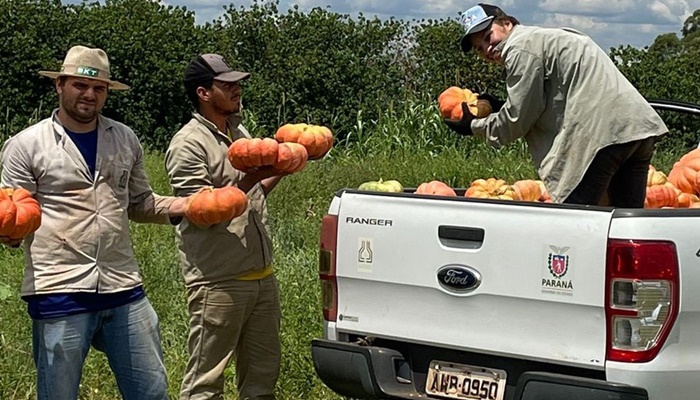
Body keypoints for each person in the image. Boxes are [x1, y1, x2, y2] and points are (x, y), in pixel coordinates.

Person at [0, 45, 192, 400]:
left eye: (99, 88)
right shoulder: (26, 145)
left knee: (152, 392)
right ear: (59, 85)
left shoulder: (124, 138)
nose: (89, 94)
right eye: (79, 85)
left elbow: (139, 202)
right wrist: (10, 235)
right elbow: (13, 210)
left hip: (123, 286)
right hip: (59, 289)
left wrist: (191, 206)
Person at [444, 3, 669, 207]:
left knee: (576, 217)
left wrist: (473, 126)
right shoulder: (541, 39)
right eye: (479, 48)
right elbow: (546, 103)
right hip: (637, 130)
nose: (487, 48)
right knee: (622, 221)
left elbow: (517, 121)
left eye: (487, 35)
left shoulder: (520, 49)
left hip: (604, 137)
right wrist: (501, 105)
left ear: (507, 23)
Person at [164, 54, 286, 400]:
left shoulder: (238, 132)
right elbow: (201, 211)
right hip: (218, 281)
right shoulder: (187, 144)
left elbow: (255, 192)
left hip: (260, 275)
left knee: (262, 379)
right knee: (206, 383)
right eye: (227, 84)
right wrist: (251, 178)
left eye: (237, 82)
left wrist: (286, 165)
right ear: (203, 92)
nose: (237, 89)